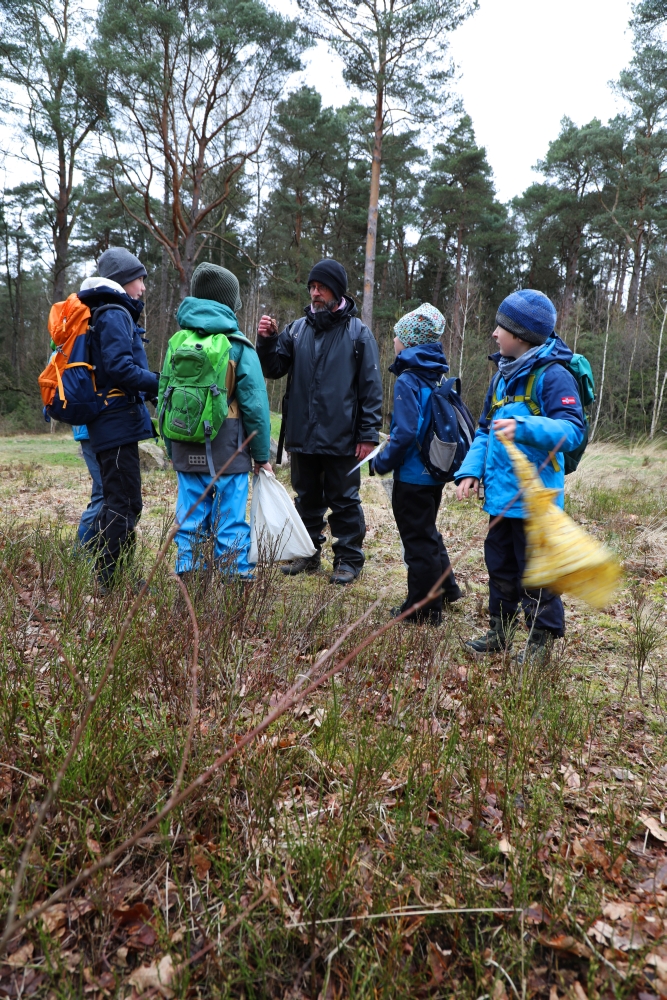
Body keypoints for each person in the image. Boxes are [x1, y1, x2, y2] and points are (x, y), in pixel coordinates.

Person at [454, 289, 585, 662]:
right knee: (500, 570)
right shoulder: (500, 377)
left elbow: (571, 430)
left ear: (522, 335)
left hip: (536, 502)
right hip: (499, 500)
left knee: (537, 576)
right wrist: (470, 471)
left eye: (501, 328)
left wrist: (523, 426)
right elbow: (483, 431)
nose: (495, 334)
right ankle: (501, 631)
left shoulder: (553, 376)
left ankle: (541, 640)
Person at [256, 259, 383, 585]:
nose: (314, 293)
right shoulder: (296, 330)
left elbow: (371, 389)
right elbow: (273, 369)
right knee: (307, 499)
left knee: (344, 501)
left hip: (343, 438)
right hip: (303, 434)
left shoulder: (359, 334)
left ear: (336, 291)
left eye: (321, 288)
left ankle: (349, 561)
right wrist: (268, 341)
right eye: (312, 287)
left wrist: (368, 435)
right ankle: (306, 554)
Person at [160, 262, 272, 578]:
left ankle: (190, 580)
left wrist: (171, 446)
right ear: (228, 303)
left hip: (184, 442)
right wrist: (261, 456)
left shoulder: (177, 342)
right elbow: (256, 406)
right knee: (231, 520)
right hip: (229, 449)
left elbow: (164, 396)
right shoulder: (239, 346)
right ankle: (235, 587)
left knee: (191, 518)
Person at [373, 303, 463, 625]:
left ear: (409, 343)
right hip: (432, 475)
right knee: (427, 533)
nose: (394, 340)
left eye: (397, 336)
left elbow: (406, 432)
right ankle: (448, 588)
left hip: (412, 477)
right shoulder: (434, 374)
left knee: (417, 543)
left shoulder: (408, 380)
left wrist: (381, 462)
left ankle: (424, 610)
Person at [78, 248, 159, 591]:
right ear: (125, 280)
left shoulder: (108, 311)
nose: (142, 287)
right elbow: (118, 367)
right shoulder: (114, 312)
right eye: (140, 279)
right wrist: (159, 382)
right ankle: (109, 579)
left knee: (119, 501)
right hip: (114, 422)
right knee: (125, 503)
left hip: (113, 422)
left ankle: (107, 573)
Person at [73, 425, 104, 546]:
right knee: (107, 492)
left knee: (102, 492)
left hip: (101, 430)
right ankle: (83, 549)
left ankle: (86, 550)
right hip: (98, 429)